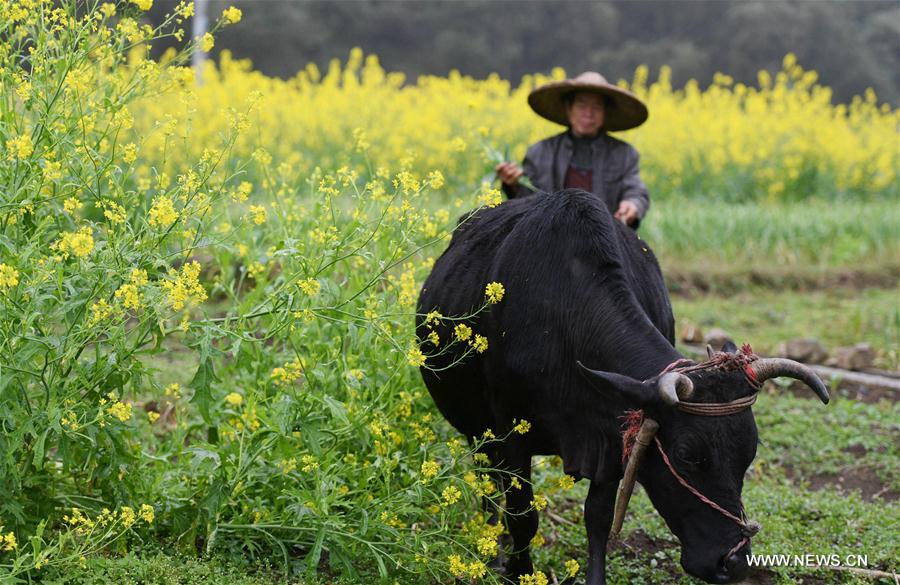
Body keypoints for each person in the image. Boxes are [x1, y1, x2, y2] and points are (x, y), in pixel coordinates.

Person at [496, 71, 650, 228]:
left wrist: (632, 205)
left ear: (605, 112)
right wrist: (513, 184)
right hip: (550, 239)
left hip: (605, 239)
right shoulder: (540, 152)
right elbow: (526, 201)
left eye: (597, 106)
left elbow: (636, 192)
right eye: (581, 105)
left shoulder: (624, 154)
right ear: (568, 109)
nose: (589, 113)